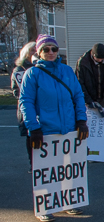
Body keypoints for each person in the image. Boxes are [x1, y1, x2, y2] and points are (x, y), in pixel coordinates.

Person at [19, 35, 89, 221]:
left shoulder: (67, 71)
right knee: (46, 172)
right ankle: (44, 207)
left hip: (68, 130)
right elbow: (26, 102)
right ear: (39, 52)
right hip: (45, 131)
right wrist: (33, 128)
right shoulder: (32, 74)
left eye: (54, 49)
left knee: (68, 169)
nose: (50, 52)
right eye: (46, 49)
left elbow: (78, 96)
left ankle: (67, 202)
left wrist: (81, 120)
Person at [75, 43, 104, 115]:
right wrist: (87, 100)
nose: (100, 60)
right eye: (98, 59)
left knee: (102, 122)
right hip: (88, 98)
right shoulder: (83, 63)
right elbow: (79, 83)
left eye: (102, 59)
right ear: (92, 55)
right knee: (87, 123)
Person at [11, 42, 36, 172]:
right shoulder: (19, 70)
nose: (34, 52)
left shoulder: (41, 67)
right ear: (26, 53)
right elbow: (16, 91)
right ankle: (33, 164)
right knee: (30, 136)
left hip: (42, 108)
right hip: (27, 109)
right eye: (32, 50)